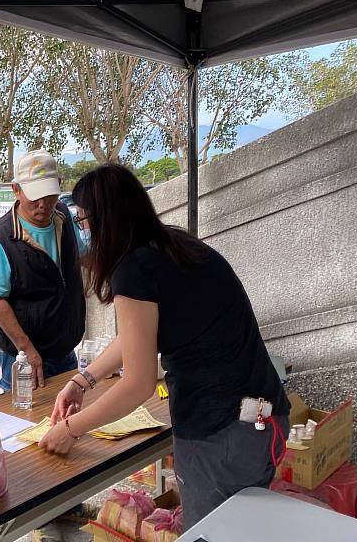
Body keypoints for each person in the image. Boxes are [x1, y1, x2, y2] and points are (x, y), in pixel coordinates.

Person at [38, 164, 290, 529]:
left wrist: (72, 429)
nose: (84, 231)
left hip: (220, 435)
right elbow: (135, 334)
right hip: (261, 420)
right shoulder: (174, 246)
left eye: (83, 220)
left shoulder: (134, 270)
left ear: (105, 220)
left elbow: (138, 384)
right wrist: (82, 381)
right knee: (241, 530)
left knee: (213, 534)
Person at [0, 149, 87, 391]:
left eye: (49, 195)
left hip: (64, 348)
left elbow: (82, 257)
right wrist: (26, 349)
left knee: (70, 418)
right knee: (27, 421)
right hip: (23, 357)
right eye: (35, 196)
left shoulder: (63, 216)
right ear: (16, 190)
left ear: (59, 185)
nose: (43, 204)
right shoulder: (1, 238)